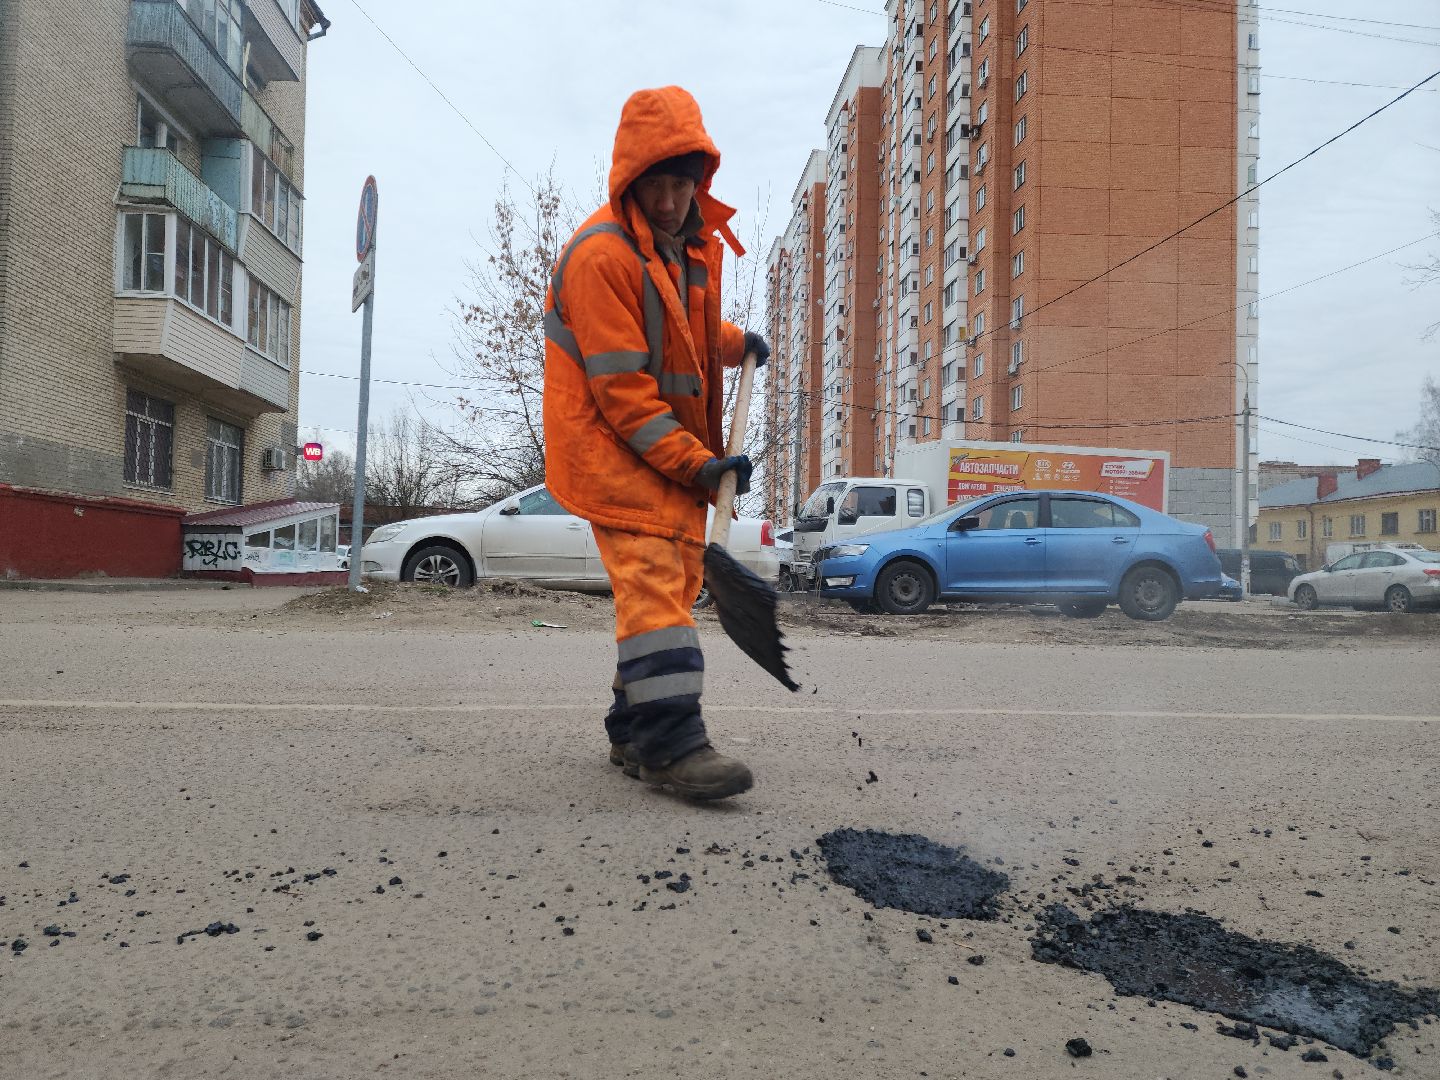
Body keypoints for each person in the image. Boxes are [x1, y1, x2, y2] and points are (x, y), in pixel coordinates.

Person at [542, 86, 770, 801]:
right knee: (651, 586)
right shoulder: (600, 256)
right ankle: (672, 746)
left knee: (669, 586)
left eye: (682, 183)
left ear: (697, 182)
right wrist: (700, 464)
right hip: (611, 446)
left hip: (661, 451)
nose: (670, 199)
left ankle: (630, 732)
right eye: (657, 183)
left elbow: (688, 331)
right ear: (630, 178)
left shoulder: (685, 249)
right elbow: (625, 395)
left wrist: (737, 346)